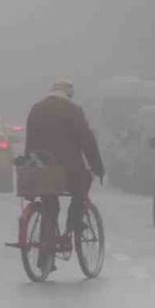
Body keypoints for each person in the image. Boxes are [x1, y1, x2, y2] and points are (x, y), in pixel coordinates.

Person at [24, 78, 104, 272]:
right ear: (69, 94)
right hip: (67, 169)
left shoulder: (36, 109)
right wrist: (97, 166)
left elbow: (29, 140)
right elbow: (87, 141)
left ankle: (45, 255)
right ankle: (75, 222)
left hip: (39, 167)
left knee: (49, 204)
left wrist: (29, 167)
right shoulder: (73, 111)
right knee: (81, 187)